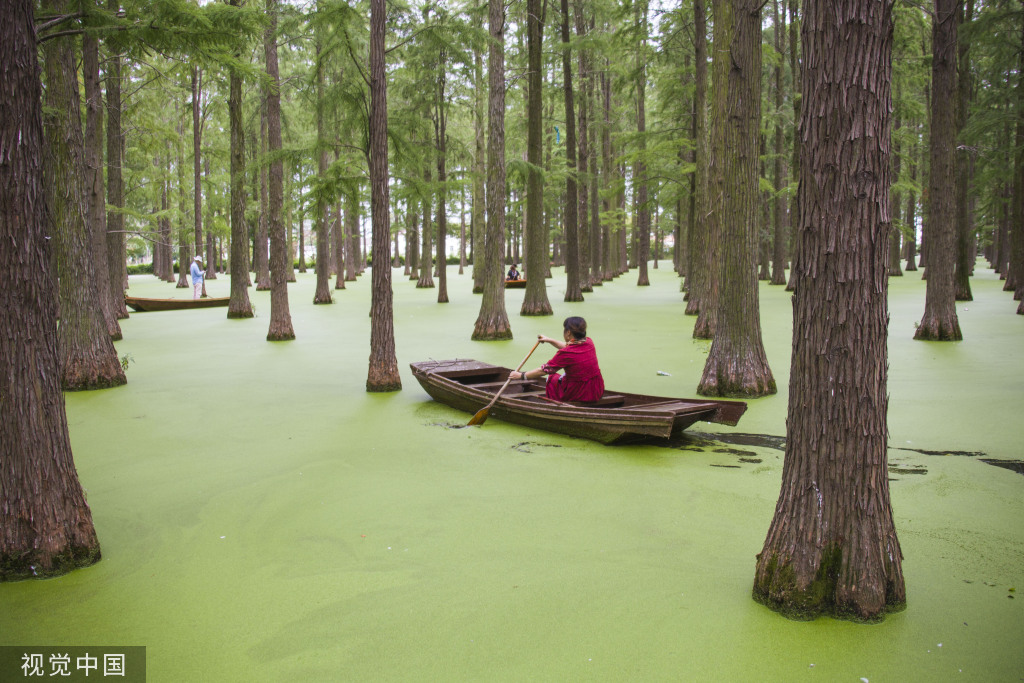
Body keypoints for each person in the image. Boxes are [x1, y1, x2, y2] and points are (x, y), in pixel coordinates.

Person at [510, 316, 605, 402]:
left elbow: (544, 370)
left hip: (578, 393)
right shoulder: (588, 342)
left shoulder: (566, 353)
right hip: (596, 389)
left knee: (551, 378)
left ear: (568, 333)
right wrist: (549, 340)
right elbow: (567, 346)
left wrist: (521, 376)